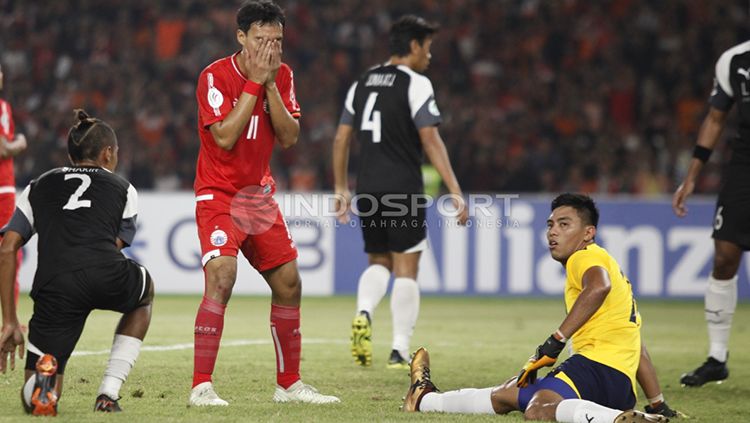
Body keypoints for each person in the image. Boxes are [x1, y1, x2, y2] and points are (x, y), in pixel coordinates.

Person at [401, 194, 667, 423]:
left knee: (539, 407)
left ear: (588, 233)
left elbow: (598, 288)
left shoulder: (583, 257)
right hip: (620, 386)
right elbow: (637, 345)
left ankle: (612, 419)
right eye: (551, 224)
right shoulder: (611, 266)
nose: (553, 231)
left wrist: (555, 342)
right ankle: (423, 398)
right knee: (510, 392)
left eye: (564, 225)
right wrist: (657, 402)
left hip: (595, 367)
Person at [190, 0, 338, 406]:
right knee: (222, 276)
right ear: (241, 37)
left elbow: (289, 138)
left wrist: (270, 83)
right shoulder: (214, 76)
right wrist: (255, 82)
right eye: (260, 39)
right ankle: (201, 386)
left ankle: (288, 385)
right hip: (218, 193)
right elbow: (223, 137)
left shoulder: (284, 76)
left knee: (289, 282)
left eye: (277, 41)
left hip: (258, 196)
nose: (269, 49)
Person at [332, 15, 468, 370]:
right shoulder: (416, 83)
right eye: (427, 47)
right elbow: (430, 138)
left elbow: (341, 138)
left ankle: (363, 310)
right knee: (407, 268)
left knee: (378, 261)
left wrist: (340, 188)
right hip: (403, 188)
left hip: (368, 187)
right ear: (412, 46)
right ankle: (398, 349)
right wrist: (455, 189)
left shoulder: (361, 82)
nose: (430, 55)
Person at [0, 109, 154, 415]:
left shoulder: (37, 186)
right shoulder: (124, 188)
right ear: (108, 153)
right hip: (105, 272)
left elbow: (7, 249)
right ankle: (108, 393)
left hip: (55, 285)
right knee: (144, 293)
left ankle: (44, 385)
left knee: (34, 398)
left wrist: (9, 320)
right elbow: (115, 243)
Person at [672, 40, 750, 387]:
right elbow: (716, 118)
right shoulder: (733, 61)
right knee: (724, 256)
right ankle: (717, 357)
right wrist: (691, 177)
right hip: (744, 166)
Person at [0, 63, 28, 306]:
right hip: (2, 189)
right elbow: (3, 149)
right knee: (10, 251)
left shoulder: (4, 106)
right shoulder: (1, 107)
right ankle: (9, 322)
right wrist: (20, 141)